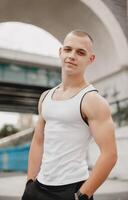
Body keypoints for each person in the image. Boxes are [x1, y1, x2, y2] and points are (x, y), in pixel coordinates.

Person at [21, 30, 117, 200]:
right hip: (38, 187)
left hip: (71, 189)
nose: (72, 56)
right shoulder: (45, 97)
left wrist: (81, 195)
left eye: (80, 52)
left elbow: (109, 155)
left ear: (91, 59)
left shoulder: (92, 101)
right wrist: (30, 182)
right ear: (60, 52)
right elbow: (38, 141)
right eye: (68, 49)